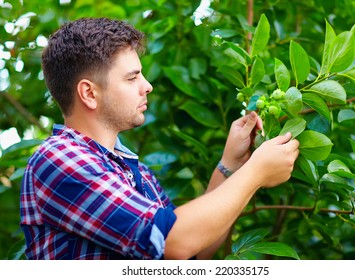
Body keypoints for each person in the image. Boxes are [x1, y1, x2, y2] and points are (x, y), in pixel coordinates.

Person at [20, 17, 300, 260]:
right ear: (89, 93)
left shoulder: (132, 169)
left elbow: (192, 252)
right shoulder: (59, 158)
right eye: (132, 78)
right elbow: (174, 240)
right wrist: (256, 172)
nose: (147, 86)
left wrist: (230, 165)